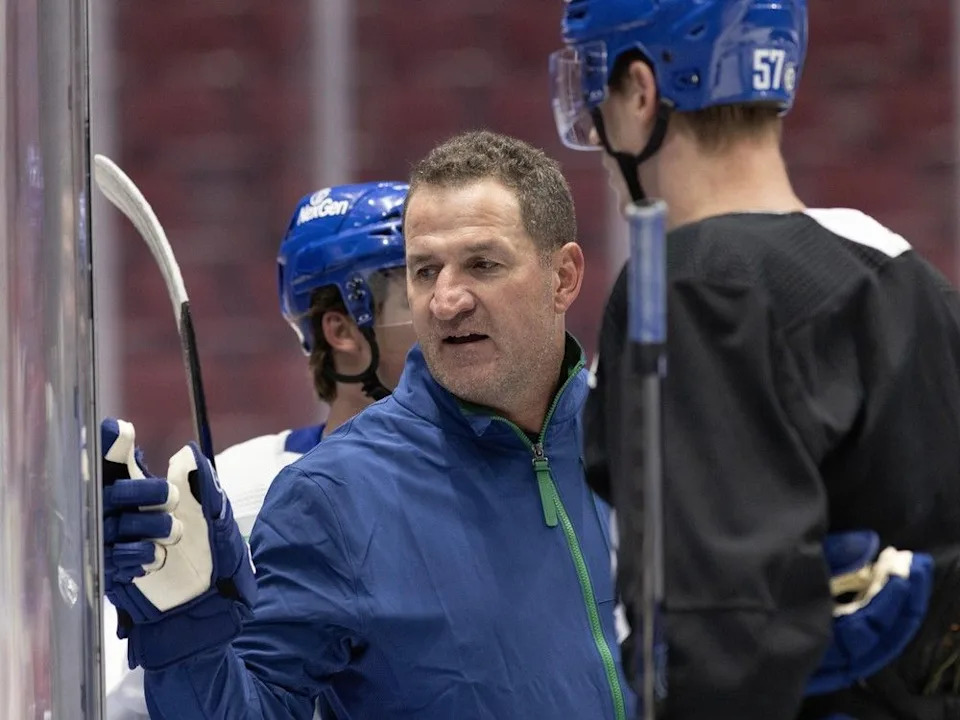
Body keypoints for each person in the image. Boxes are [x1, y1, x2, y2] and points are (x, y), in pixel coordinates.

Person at [100, 130, 634, 719]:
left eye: (483, 264)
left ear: (563, 277)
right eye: (424, 271)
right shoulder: (332, 497)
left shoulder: (646, 440)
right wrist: (186, 641)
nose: (446, 301)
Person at [549, 1, 960, 718]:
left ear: (642, 92)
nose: (595, 124)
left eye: (597, 91)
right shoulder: (905, 272)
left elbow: (723, 633)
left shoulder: (692, 284)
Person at [103, 180, 416, 720]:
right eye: (417, 287)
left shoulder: (510, 467)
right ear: (341, 329)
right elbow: (135, 704)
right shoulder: (241, 492)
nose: (448, 307)